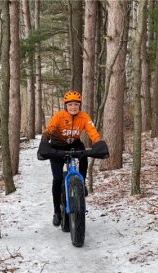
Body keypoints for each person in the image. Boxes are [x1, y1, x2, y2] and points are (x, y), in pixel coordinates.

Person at [37, 91, 107, 227]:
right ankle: (57, 211)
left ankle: (82, 182)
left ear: (79, 105)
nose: (73, 107)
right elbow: (49, 130)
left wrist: (98, 143)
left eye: (76, 104)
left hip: (74, 144)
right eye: (70, 105)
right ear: (66, 106)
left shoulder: (84, 117)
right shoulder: (59, 116)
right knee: (57, 179)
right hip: (57, 146)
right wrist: (45, 141)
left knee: (84, 155)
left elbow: (93, 132)